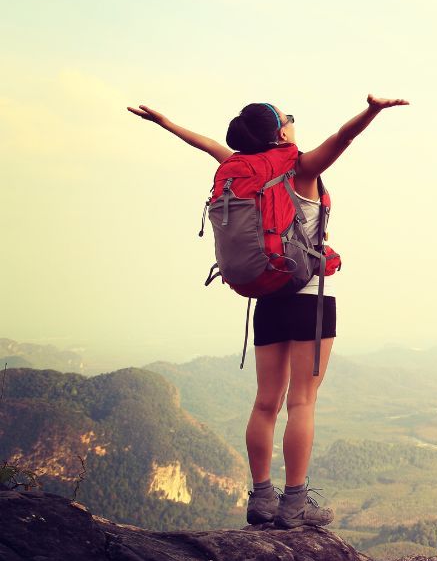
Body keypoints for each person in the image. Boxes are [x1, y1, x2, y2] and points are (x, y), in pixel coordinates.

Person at [128, 95, 408, 528]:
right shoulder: (302, 168)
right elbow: (344, 137)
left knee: (265, 404)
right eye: (290, 120)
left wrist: (166, 123)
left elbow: (205, 145)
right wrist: (373, 110)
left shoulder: (243, 168)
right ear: (280, 133)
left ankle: (261, 499)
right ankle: (295, 504)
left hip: (266, 296)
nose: (294, 126)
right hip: (309, 296)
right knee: (302, 401)